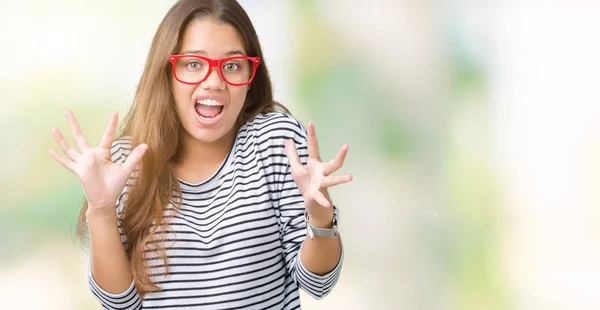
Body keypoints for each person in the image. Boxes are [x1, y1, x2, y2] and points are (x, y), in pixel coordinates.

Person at [48, 0, 352, 309]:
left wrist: (320, 216)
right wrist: (101, 210)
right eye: (194, 64)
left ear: (251, 75)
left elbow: (318, 282)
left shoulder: (275, 142)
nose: (214, 82)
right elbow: (119, 304)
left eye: (232, 65)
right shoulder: (126, 164)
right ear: (167, 71)